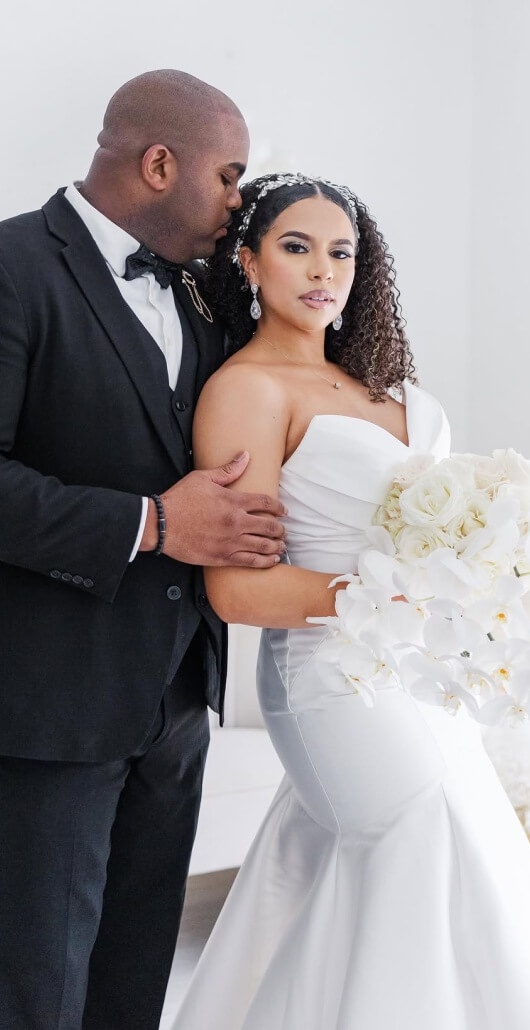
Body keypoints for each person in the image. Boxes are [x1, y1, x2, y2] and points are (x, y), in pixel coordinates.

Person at [170, 173, 530, 1030]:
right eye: (297, 247)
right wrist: (401, 595)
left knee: (461, 850)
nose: (324, 269)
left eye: (342, 251)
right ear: (250, 262)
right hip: (333, 680)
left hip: (424, 677)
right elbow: (238, 588)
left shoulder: (384, 384)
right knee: (422, 843)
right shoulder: (247, 390)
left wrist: (477, 580)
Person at [0, 71, 290, 1030]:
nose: (239, 202)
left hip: (175, 704)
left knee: (133, 987)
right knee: (37, 991)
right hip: (48, 715)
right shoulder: (11, 266)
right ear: (159, 163)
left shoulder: (207, 293)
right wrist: (152, 524)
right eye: (230, 175)